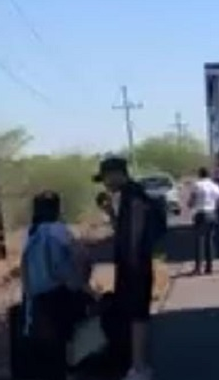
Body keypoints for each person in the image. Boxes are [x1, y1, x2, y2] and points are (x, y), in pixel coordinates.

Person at [20, 191, 95, 380]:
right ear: (57, 208)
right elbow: (75, 259)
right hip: (59, 294)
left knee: (49, 351)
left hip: (38, 299)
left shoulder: (31, 234)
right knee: (72, 337)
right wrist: (82, 285)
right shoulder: (58, 230)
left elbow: (24, 270)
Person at [94, 155, 155, 380]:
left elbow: (135, 232)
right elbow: (123, 230)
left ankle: (139, 367)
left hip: (135, 263)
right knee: (132, 312)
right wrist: (110, 213)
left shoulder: (133, 195)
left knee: (137, 314)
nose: (105, 184)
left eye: (106, 178)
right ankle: (137, 364)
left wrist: (132, 260)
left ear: (116, 173)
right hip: (131, 262)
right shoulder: (127, 195)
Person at [187, 167, 219, 275]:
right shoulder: (215, 186)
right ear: (209, 175)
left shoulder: (197, 185)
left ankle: (198, 268)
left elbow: (191, 201)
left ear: (199, 174)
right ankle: (209, 267)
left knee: (199, 241)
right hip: (212, 214)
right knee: (209, 241)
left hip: (201, 213)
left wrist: (190, 204)